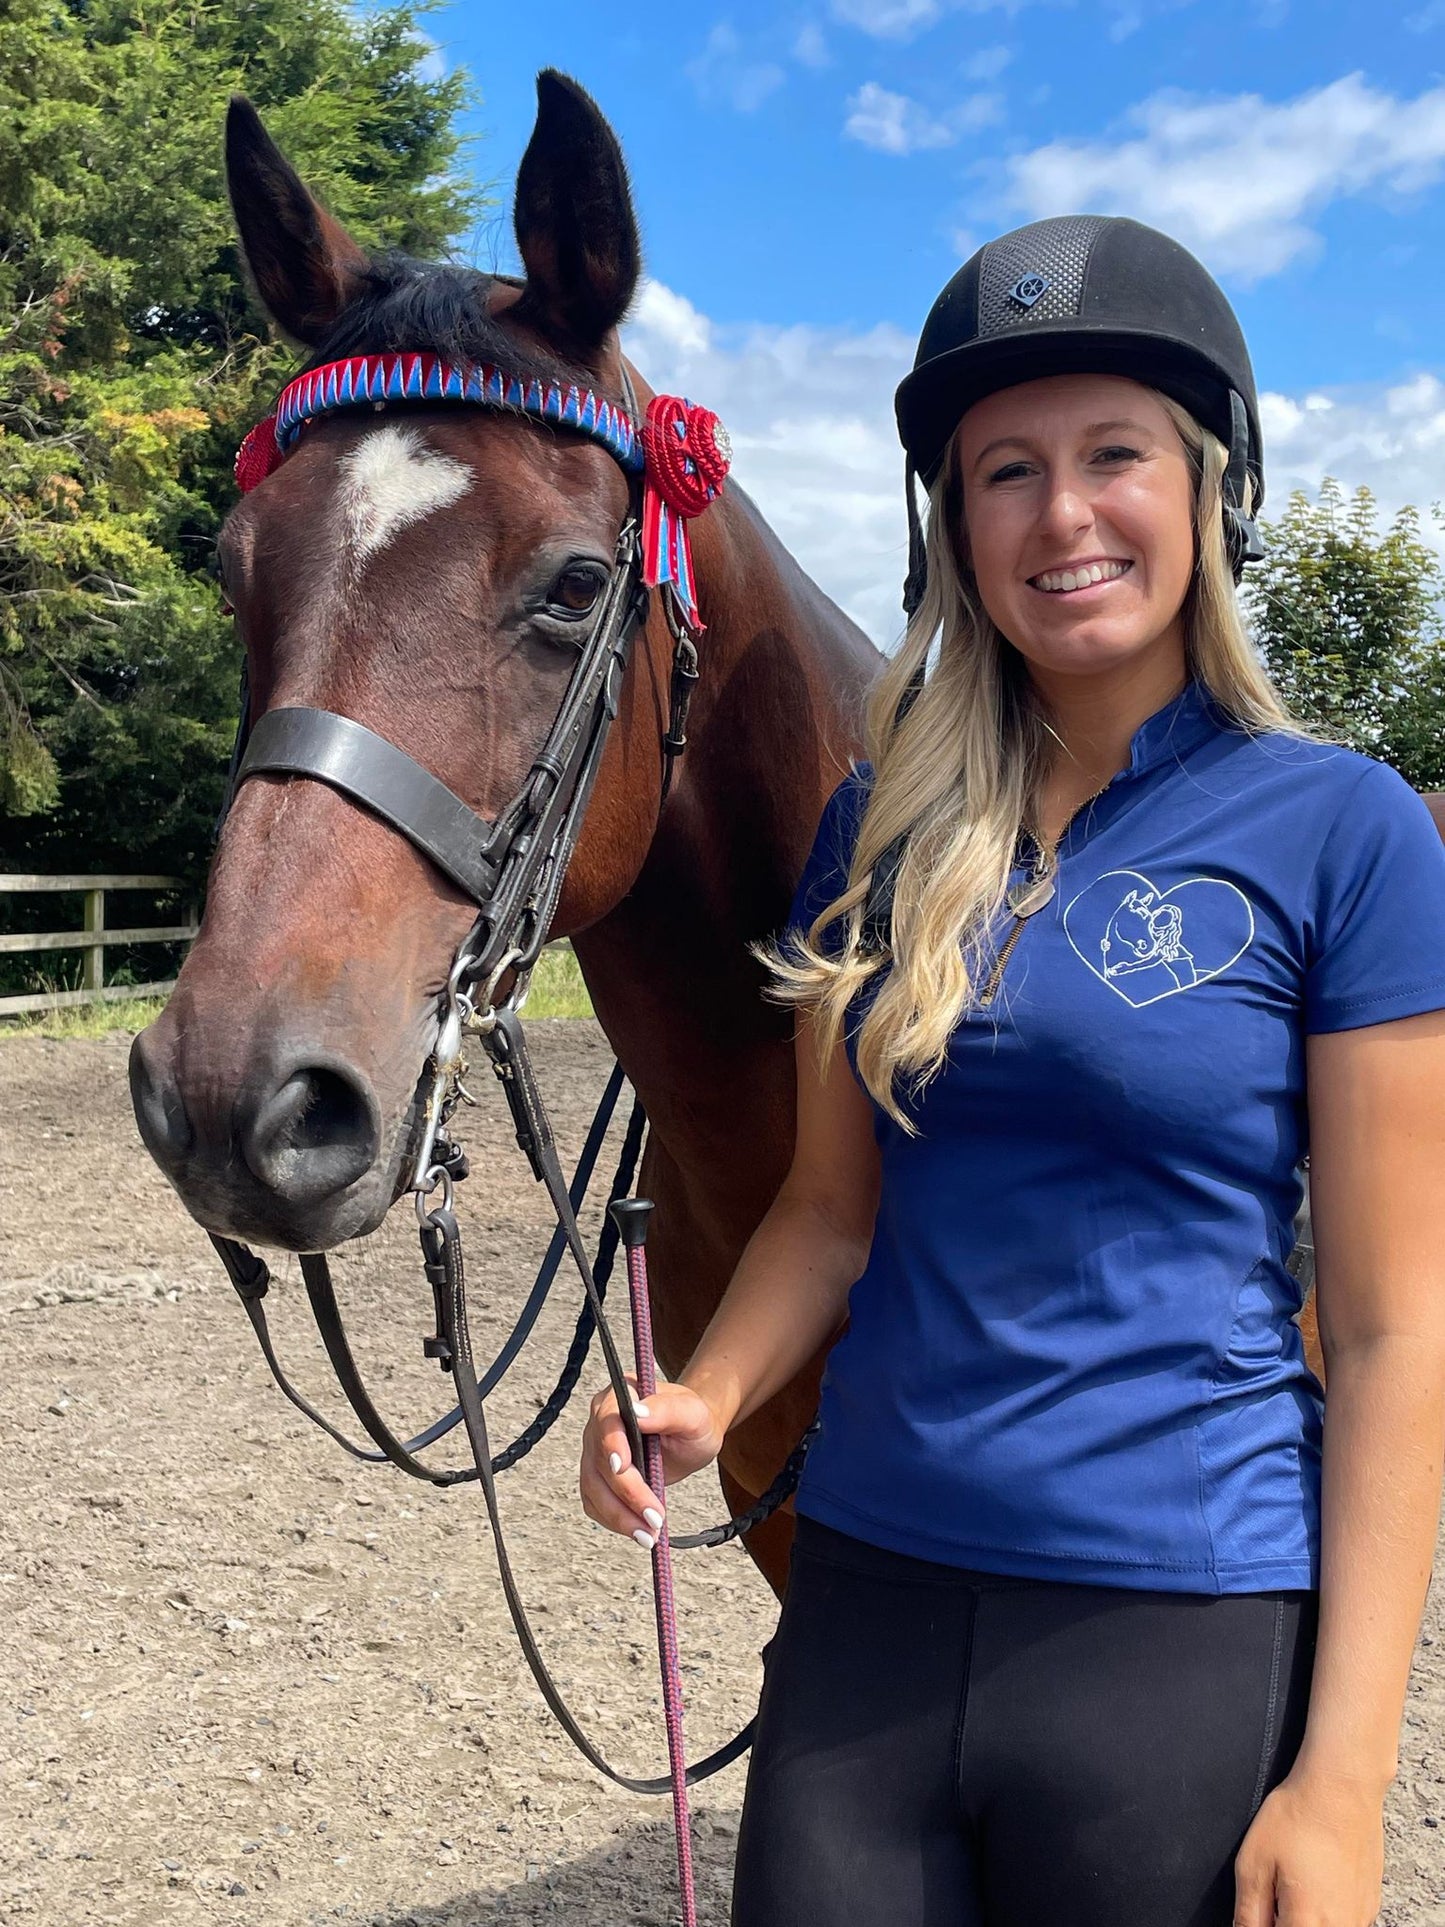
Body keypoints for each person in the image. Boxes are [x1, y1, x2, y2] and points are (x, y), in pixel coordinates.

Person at [579, 215, 1445, 1926]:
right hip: (867, 1604)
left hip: (1176, 1617)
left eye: (1111, 455)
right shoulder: (879, 826)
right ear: (950, 527)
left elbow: (1389, 1326)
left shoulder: (1342, 830)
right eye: (1002, 474)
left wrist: (1343, 1783)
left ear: (1209, 489)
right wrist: (709, 1397)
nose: (1060, 515)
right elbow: (829, 1216)